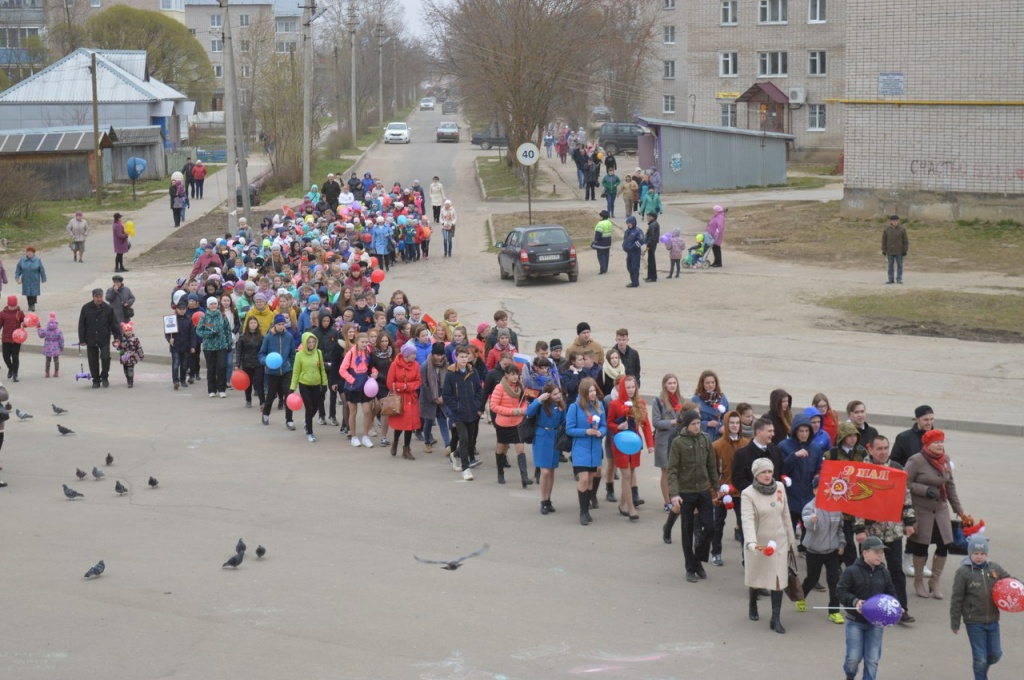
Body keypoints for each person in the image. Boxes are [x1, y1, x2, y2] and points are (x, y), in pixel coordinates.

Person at [856, 434, 917, 624]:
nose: (883, 452)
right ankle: (866, 608)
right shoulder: (863, 470)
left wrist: (909, 521)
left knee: (895, 570)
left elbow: (905, 497)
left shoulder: (897, 469)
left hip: (893, 530)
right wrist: (859, 528)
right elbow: (856, 501)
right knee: (868, 571)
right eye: (879, 449)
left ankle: (900, 609)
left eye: (886, 448)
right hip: (870, 532)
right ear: (871, 450)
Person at [905, 429, 967, 600]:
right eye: (936, 442)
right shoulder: (916, 460)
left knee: (944, 545)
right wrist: (924, 490)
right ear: (927, 444)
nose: (940, 445)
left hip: (940, 510)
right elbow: (905, 482)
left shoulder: (945, 459)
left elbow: (950, 486)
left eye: (941, 441)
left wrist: (959, 510)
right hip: (922, 510)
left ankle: (935, 581)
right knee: (921, 545)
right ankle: (918, 582)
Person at [741, 457, 798, 633]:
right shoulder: (748, 494)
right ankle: (753, 603)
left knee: (778, 580)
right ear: (756, 475)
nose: (767, 475)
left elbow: (786, 514)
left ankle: (775, 618)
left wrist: (791, 540)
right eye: (763, 472)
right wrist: (751, 542)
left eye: (769, 471)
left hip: (779, 542)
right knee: (757, 578)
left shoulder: (780, 487)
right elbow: (747, 520)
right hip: (760, 545)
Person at [950, 536, 1012, 680]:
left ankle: (981, 670)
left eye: (982, 554)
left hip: (993, 620)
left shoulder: (995, 568)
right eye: (976, 553)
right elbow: (957, 599)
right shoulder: (963, 572)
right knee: (980, 658)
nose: (979, 557)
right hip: (974, 622)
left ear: (987, 554)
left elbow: (1009, 581)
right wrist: (955, 622)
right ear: (969, 553)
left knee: (995, 655)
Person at [837, 536, 899, 680]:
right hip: (855, 622)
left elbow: (891, 594)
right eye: (876, 552)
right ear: (864, 552)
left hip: (876, 624)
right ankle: (850, 676)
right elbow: (840, 591)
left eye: (882, 552)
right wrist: (855, 601)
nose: (880, 555)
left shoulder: (884, 572)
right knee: (853, 659)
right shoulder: (851, 571)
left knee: (872, 660)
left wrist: (896, 607)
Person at [667, 409, 717, 582]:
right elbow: (672, 470)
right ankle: (690, 567)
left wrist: (716, 488)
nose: (697, 427)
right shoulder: (678, 443)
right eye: (693, 424)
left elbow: (711, 465)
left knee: (710, 527)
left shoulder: (705, 438)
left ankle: (697, 560)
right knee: (687, 531)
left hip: (703, 490)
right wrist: (674, 494)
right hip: (686, 491)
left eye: (698, 423)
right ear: (687, 426)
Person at [795, 486, 846, 624]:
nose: (824, 492)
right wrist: (812, 521)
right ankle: (801, 596)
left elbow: (840, 528)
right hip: (814, 551)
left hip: (832, 552)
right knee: (812, 578)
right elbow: (807, 525)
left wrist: (841, 544)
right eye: (820, 489)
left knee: (834, 581)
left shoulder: (836, 506)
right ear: (814, 491)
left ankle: (834, 611)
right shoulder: (810, 507)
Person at [607, 376, 654, 520]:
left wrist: (650, 444)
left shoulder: (640, 403)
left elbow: (646, 424)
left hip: (635, 443)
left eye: (633, 387)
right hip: (620, 443)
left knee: (631, 472)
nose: (631, 390)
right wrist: (618, 426)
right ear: (622, 388)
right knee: (626, 475)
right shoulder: (615, 404)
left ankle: (622, 505)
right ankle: (631, 508)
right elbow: (609, 423)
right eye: (628, 387)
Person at [565, 377, 606, 526]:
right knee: (583, 479)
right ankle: (582, 511)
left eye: (594, 390)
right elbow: (569, 429)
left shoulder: (599, 405)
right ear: (583, 393)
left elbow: (604, 425)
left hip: (594, 447)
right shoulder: (574, 408)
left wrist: (601, 432)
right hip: (580, 448)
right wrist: (586, 431)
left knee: (590, 480)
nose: (594, 393)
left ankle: (587, 508)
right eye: (590, 391)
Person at [710, 409, 748, 562]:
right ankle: (716, 552)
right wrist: (714, 492)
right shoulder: (716, 445)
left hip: (741, 491)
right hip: (723, 491)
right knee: (718, 523)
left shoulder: (746, 443)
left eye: (737, 423)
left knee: (744, 524)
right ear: (726, 424)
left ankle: (747, 557)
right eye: (731, 423)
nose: (734, 426)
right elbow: (711, 471)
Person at [443, 346, 485, 480]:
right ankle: (466, 469)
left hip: (472, 412)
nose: (463, 359)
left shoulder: (473, 372)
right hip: (458, 414)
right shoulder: (450, 373)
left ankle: (455, 454)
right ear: (456, 357)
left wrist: (477, 405)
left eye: (466, 357)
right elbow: (446, 395)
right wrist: (457, 407)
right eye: (461, 357)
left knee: (470, 440)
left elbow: (479, 390)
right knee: (464, 439)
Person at [489, 363, 533, 487]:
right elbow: (493, 406)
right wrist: (512, 411)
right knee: (502, 448)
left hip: (518, 423)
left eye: (517, 374)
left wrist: (523, 410)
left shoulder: (521, 387)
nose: (515, 377)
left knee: (520, 448)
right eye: (512, 374)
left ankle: (524, 477)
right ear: (506, 375)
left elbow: (524, 402)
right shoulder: (499, 387)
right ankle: (500, 472)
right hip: (503, 424)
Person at [528, 382, 566, 514]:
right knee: (544, 471)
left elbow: (564, 421)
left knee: (551, 471)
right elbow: (529, 412)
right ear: (548, 395)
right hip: (542, 437)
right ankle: (543, 500)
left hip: (554, 436)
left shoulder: (560, 406)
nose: (558, 396)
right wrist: (539, 399)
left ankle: (548, 499)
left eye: (558, 393)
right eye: (554, 394)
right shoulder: (541, 404)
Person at [339, 332, 378, 448]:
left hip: (365, 386)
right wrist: (352, 380)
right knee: (353, 412)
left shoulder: (368, 352)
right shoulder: (350, 353)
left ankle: (365, 436)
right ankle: (354, 436)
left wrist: (374, 372)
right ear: (357, 342)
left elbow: (371, 366)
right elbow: (342, 370)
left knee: (367, 411)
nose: (365, 344)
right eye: (363, 342)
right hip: (353, 387)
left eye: (366, 342)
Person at [78, 287, 121, 388]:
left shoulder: (108, 308)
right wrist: (82, 339)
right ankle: (96, 380)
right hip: (91, 338)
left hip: (104, 338)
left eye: (100, 296)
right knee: (93, 360)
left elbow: (114, 324)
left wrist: (117, 337)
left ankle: (105, 377)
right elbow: (81, 324)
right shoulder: (86, 308)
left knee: (106, 357)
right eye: (97, 297)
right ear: (93, 297)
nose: (99, 299)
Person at [259, 314, 297, 430]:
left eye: (283, 324)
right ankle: (266, 414)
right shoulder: (268, 337)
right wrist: (266, 361)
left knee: (288, 396)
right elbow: (261, 354)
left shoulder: (288, 337)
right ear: (275, 325)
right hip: (272, 372)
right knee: (271, 394)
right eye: (279, 324)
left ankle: (289, 420)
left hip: (286, 371)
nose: (281, 326)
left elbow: (292, 354)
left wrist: (291, 365)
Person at [651, 374, 683, 512]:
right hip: (663, 440)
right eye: (669, 383)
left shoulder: (680, 399)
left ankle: (676, 498)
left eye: (674, 383)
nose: (672, 385)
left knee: (677, 471)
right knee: (666, 471)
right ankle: (667, 501)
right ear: (664, 385)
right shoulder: (658, 401)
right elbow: (656, 422)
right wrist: (672, 422)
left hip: (678, 439)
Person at [386, 343, 423, 460]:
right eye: (413, 354)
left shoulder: (416, 365)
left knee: (410, 425)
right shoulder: (394, 365)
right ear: (406, 355)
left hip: (412, 398)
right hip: (400, 398)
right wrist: (404, 387)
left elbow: (418, 381)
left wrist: (408, 387)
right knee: (400, 424)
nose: (415, 356)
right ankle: (395, 441)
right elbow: (390, 383)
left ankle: (406, 449)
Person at [290, 332, 328, 443]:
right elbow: (296, 372)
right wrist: (292, 387)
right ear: (304, 343)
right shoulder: (299, 355)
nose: (311, 344)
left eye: (313, 342)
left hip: (316, 384)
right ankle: (310, 432)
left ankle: (307, 420)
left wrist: (324, 384)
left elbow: (322, 370)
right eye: (309, 342)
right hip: (304, 384)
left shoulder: (319, 353)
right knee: (309, 407)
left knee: (315, 407)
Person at [195, 297, 232, 398]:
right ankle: (211, 389)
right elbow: (199, 331)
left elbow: (228, 331)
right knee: (211, 368)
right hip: (208, 347)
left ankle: (221, 389)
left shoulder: (222, 316)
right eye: (211, 304)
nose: (213, 306)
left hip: (221, 346)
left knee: (221, 367)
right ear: (208, 305)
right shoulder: (204, 317)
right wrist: (210, 333)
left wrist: (229, 343)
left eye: (215, 304)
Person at [691, 370, 728, 443]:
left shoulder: (722, 397)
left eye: (713, 382)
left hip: (719, 435)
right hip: (703, 435)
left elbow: (726, 415)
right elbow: (691, 420)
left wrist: (724, 426)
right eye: (707, 383)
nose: (710, 385)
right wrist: (707, 423)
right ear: (702, 384)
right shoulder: (696, 399)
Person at [236, 316, 265, 408]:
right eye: (251, 323)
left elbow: (264, 350)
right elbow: (239, 351)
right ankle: (248, 399)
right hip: (247, 363)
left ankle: (262, 402)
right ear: (248, 325)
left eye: (255, 323)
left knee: (259, 383)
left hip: (258, 363)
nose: (253, 325)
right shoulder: (243, 337)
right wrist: (238, 364)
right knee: (248, 383)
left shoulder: (261, 337)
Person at [166, 297, 194, 390]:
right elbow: (167, 333)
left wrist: (192, 346)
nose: (182, 311)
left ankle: (182, 380)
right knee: (175, 363)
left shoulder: (189, 320)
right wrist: (169, 339)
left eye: (183, 309)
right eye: (180, 309)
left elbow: (192, 334)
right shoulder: (172, 319)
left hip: (185, 346)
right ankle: (175, 381)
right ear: (176, 309)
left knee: (184, 364)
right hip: (175, 345)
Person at [0, 297, 25, 382]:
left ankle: (15, 374)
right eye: (11, 306)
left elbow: (25, 322)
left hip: (17, 339)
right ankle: (10, 368)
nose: (13, 307)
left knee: (15, 356)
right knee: (5, 356)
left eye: (14, 306)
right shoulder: (2, 314)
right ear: (8, 305)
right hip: (6, 338)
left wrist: (24, 324)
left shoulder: (20, 313)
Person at [14, 246, 45, 312]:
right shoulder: (22, 260)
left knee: (34, 292)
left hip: (35, 279)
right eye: (28, 252)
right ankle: (30, 304)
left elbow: (41, 270)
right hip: (25, 279)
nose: (29, 253)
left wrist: (43, 278)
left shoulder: (37, 260)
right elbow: (18, 269)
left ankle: (32, 305)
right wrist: (17, 277)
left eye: (31, 252)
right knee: (28, 292)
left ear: (34, 253)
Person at [114, 321, 144, 388]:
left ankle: (130, 381)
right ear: (124, 331)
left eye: (130, 330)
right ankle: (128, 378)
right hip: (124, 358)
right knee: (125, 370)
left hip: (132, 357)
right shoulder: (121, 339)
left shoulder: (135, 339)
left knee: (130, 369)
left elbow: (139, 347)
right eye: (126, 331)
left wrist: (141, 355)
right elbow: (117, 346)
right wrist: (120, 350)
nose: (128, 332)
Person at [37, 311, 65, 378]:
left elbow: (41, 335)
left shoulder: (46, 329)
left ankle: (47, 372)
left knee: (48, 360)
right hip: (56, 347)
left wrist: (38, 328)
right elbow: (61, 339)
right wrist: (62, 347)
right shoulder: (58, 330)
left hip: (48, 347)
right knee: (56, 360)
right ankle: (56, 372)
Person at [882, 214, 908, 284]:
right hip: (890, 251)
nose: (895, 222)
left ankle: (899, 279)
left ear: (898, 221)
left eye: (896, 221)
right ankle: (891, 279)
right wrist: (884, 250)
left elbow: (905, 241)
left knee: (900, 265)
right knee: (890, 265)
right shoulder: (886, 230)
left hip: (899, 251)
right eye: (893, 221)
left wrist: (905, 250)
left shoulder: (902, 230)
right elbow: (884, 241)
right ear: (891, 221)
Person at [622, 215, 644, 288]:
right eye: (627, 223)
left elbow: (641, 241)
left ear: (634, 223)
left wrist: (632, 247)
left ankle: (635, 282)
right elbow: (625, 240)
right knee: (629, 266)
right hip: (629, 252)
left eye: (630, 223)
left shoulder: (638, 231)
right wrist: (624, 246)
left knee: (635, 267)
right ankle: (633, 280)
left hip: (635, 252)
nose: (628, 224)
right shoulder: (627, 231)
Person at [592, 210, 613, 274]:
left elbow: (598, 233)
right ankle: (605, 268)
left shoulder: (601, 223)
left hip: (601, 242)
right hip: (608, 241)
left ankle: (602, 269)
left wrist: (595, 241)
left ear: (602, 216)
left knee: (601, 256)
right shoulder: (609, 222)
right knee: (606, 255)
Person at [642, 212, 660, 282]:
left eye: (649, 216)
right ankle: (650, 276)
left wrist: (648, 244)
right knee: (650, 261)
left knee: (651, 262)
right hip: (652, 244)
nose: (647, 218)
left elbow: (652, 236)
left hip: (651, 245)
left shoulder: (653, 225)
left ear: (653, 217)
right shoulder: (653, 224)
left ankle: (652, 277)